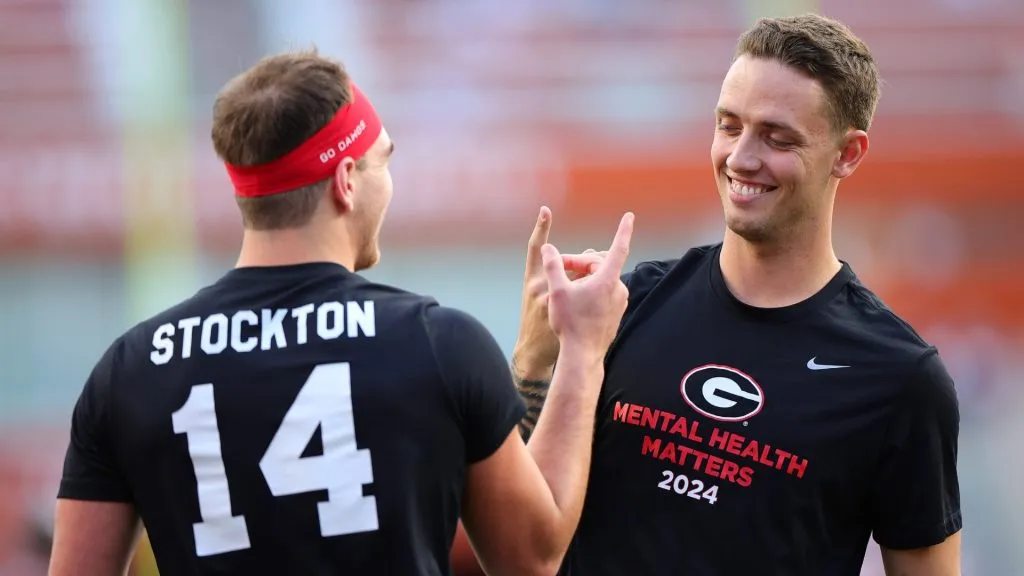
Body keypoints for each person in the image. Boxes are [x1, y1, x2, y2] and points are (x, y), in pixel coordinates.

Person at [47, 48, 635, 576]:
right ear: (347, 181)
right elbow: (531, 557)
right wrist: (581, 349)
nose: (390, 182)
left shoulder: (129, 369)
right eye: (383, 161)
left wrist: (529, 364)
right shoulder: (436, 343)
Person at [460, 13, 963, 576]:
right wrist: (533, 356)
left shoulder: (900, 377)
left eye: (778, 138)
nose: (741, 158)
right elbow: (514, 543)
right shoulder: (627, 307)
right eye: (729, 125)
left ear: (848, 154)